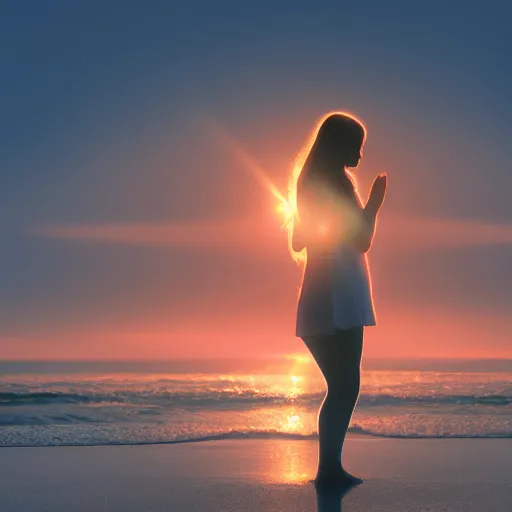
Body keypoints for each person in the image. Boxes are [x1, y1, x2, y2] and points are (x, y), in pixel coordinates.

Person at [291, 112, 387, 487]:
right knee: (346, 385)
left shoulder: (310, 180)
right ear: (339, 145)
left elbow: (299, 239)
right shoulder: (331, 182)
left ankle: (329, 466)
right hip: (339, 292)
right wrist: (374, 204)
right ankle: (328, 469)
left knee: (341, 385)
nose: (361, 156)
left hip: (323, 289)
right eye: (357, 147)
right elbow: (361, 239)